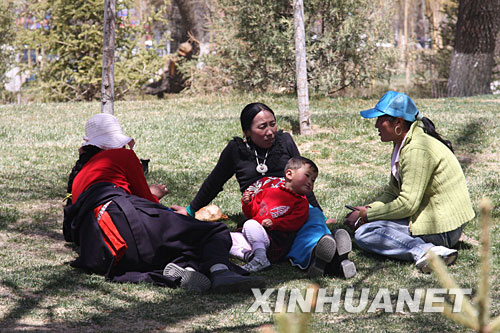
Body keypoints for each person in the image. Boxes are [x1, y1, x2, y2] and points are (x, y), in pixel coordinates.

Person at [63, 113, 265, 293]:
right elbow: (143, 199)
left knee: (175, 245)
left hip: (102, 249)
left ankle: (180, 272)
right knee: (213, 231)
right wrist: (159, 200)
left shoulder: (79, 176)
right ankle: (222, 273)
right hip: (122, 216)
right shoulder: (121, 155)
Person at [172, 103, 356, 278]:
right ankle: (330, 258)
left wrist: (320, 213)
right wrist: (191, 210)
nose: (270, 132)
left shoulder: (285, 141)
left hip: (295, 202)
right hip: (263, 211)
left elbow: (304, 178)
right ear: (247, 132)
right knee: (265, 235)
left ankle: (321, 254)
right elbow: (214, 181)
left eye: (272, 124)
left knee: (312, 218)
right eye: (262, 127)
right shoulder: (236, 150)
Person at [343, 91, 475, 273]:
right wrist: (367, 209)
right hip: (440, 224)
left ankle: (427, 251)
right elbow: (392, 192)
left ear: (398, 122)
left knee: (365, 232)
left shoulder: (416, 150)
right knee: (368, 225)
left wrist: (366, 217)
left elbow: (408, 204)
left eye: (380, 119)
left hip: (442, 230)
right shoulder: (403, 144)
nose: (375, 125)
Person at [230, 156, 318, 272]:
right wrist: (248, 203)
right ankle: (253, 256)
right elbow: (252, 213)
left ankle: (260, 258)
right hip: (253, 236)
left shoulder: (301, 202)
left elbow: (295, 222)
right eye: (307, 176)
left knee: (250, 224)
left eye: (313, 180)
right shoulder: (267, 192)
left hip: (273, 240)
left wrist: (275, 223)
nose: (310, 182)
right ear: (289, 174)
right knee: (227, 238)